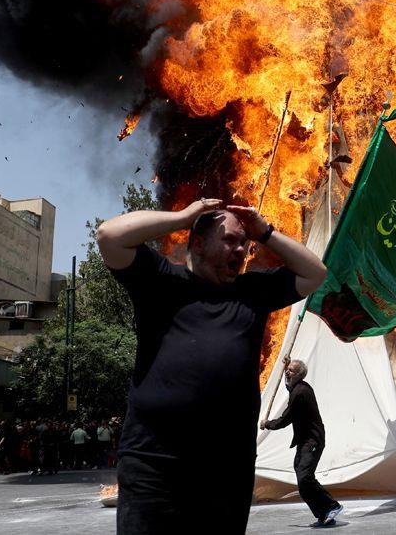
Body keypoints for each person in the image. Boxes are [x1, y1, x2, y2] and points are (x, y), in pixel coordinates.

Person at [98, 197, 327, 534]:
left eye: (244, 244)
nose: (240, 250)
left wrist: (264, 232)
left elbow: (315, 273)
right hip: (153, 465)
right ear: (198, 242)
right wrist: (182, 217)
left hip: (225, 471)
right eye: (230, 240)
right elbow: (108, 236)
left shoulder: (253, 291)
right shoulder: (161, 281)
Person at [261, 356, 343, 526]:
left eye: (290, 370)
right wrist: (285, 367)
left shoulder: (300, 392)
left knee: (305, 478)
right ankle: (325, 514)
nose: (288, 373)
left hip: (312, 441)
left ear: (299, 374)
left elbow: (285, 419)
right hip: (305, 441)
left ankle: (331, 506)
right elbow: (288, 384)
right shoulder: (297, 387)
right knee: (303, 480)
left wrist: (267, 424)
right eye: (288, 370)